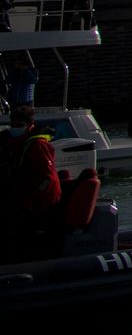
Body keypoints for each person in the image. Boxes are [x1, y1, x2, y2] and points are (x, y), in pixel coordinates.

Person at [0, 105, 61, 262]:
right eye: (13, 125)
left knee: (20, 233)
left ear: (30, 125)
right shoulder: (13, 144)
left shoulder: (37, 146)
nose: (15, 129)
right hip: (19, 200)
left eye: (19, 125)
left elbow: (48, 179)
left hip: (35, 205)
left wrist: (32, 202)